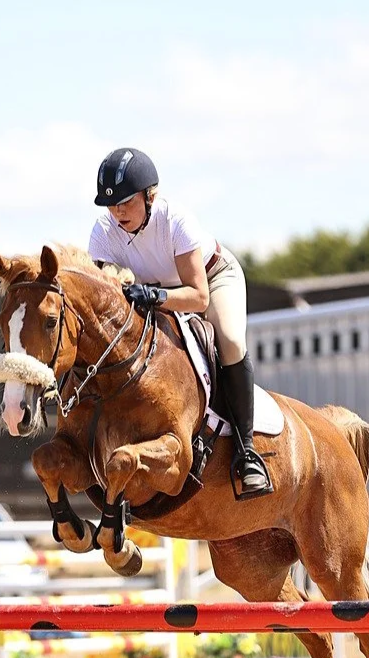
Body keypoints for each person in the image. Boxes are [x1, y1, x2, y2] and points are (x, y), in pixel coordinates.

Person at [88, 147, 271, 498]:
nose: (118, 212)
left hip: (211, 280)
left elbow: (199, 297)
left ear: (149, 195)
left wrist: (154, 296)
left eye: (126, 202)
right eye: (111, 205)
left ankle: (247, 453)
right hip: (154, 295)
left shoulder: (174, 219)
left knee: (230, 339)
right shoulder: (103, 231)